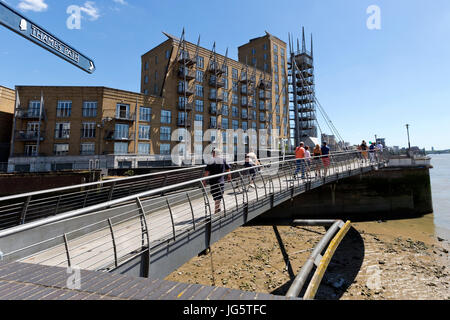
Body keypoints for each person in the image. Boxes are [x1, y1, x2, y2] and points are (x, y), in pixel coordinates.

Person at [203, 148, 231, 214]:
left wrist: (204, 181)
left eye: (212, 153)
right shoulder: (223, 160)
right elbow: (228, 169)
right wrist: (229, 177)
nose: (212, 154)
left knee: (216, 196)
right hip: (221, 181)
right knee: (219, 195)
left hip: (213, 182)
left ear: (215, 153)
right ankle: (218, 208)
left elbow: (207, 172)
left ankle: (216, 211)